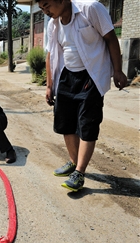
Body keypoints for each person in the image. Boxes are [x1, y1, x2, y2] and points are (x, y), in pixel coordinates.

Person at [36, 0, 127, 191]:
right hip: (66, 75)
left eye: (47, 6)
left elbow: (111, 38)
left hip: (91, 73)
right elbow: (51, 54)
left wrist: (117, 71)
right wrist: (49, 85)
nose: (46, 12)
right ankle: (73, 161)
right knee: (65, 121)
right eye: (42, 9)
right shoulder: (53, 24)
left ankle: (80, 171)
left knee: (87, 122)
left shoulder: (90, 8)